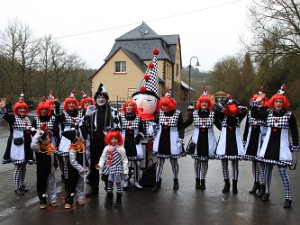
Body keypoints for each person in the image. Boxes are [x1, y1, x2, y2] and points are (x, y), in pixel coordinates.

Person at [257, 85, 299, 208]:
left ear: (284, 103)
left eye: (280, 101)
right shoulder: (268, 113)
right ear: (273, 102)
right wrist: (255, 103)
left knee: (282, 171)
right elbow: (255, 115)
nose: (278, 103)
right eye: (276, 101)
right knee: (267, 169)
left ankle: (288, 197)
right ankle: (266, 192)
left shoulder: (290, 115)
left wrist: (295, 144)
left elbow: (294, 130)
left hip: (282, 147)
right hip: (269, 145)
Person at [85, 83, 120, 197]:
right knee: (94, 165)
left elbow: (118, 127)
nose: (100, 99)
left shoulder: (113, 111)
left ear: (106, 99)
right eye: (98, 97)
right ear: (95, 99)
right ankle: (94, 188)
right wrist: (86, 115)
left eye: (103, 98)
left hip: (107, 143)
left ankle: (108, 186)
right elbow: (82, 124)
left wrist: (111, 131)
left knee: (108, 164)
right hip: (94, 142)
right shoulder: (91, 110)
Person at [184, 89, 221, 190]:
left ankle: (203, 180)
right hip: (197, 139)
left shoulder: (213, 114)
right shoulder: (195, 114)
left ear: (208, 103)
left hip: (208, 140)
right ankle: (197, 180)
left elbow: (219, 125)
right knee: (197, 161)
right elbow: (187, 123)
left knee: (205, 161)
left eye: (206, 102)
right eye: (202, 102)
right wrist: (177, 126)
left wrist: (228, 130)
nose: (204, 104)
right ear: (200, 103)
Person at [151, 90, 185, 192]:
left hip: (173, 139)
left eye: (165, 105)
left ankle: (175, 179)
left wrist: (180, 140)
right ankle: (157, 182)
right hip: (161, 139)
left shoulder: (178, 113)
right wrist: (152, 127)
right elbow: (155, 122)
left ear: (170, 105)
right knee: (159, 162)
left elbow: (181, 127)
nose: (163, 107)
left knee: (174, 162)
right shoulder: (160, 113)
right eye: (162, 105)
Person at [0, 95, 34, 195]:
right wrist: (2, 107)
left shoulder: (28, 119)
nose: (22, 110)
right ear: (17, 109)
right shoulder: (13, 118)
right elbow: (5, 115)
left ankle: (21, 184)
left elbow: (31, 130)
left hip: (26, 146)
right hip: (16, 147)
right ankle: (16, 187)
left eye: (24, 108)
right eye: (20, 108)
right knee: (18, 167)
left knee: (23, 166)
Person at [215, 95, 247, 194]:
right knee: (224, 163)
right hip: (224, 141)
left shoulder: (239, 116)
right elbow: (216, 114)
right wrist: (225, 107)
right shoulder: (223, 115)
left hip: (235, 142)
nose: (232, 114)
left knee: (235, 164)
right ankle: (226, 183)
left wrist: (234, 105)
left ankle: (235, 185)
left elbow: (245, 110)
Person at [31, 97, 59, 208]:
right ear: (39, 110)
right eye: (41, 109)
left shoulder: (52, 118)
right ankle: (42, 199)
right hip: (39, 148)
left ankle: (53, 198)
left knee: (51, 176)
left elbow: (56, 132)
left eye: (45, 109)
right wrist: (38, 137)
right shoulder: (35, 120)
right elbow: (32, 135)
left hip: (50, 146)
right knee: (41, 177)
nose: (43, 111)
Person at [243, 87, 269, 197]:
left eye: (261, 100)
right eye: (257, 101)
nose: (259, 102)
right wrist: (244, 140)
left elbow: (259, 116)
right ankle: (256, 183)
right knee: (253, 161)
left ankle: (263, 185)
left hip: (262, 138)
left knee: (260, 162)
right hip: (252, 137)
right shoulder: (250, 112)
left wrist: (254, 107)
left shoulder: (267, 111)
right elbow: (247, 126)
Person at [56, 90, 82, 189]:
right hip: (66, 138)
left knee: (76, 160)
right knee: (66, 160)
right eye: (69, 103)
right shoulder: (64, 113)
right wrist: (57, 106)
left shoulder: (79, 113)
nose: (71, 105)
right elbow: (58, 117)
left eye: (73, 103)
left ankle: (75, 178)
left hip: (77, 137)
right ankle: (66, 179)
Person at [96, 129, 128, 207]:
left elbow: (125, 160)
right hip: (109, 168)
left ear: (119, 139)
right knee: (109, 184)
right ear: (109, 139)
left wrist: (125, 171)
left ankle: (119, 199)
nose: (114, 140)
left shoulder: (121, 149)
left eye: (116, 139)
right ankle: (109, 198)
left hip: (117, 168)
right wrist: (100, 165)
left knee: (118, 184)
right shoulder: (106, 148)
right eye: (112, 139)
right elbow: (103, 158)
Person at [119, 100, 144, 190]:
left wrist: (139, 136)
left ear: (134, 107)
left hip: (135, 143)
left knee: (136, 163)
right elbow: (117, 129)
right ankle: (125, 181)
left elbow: (142, 130)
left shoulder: (138, 118)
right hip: (124, 143)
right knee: (125, 163)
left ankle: (136, 181)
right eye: (127, 106)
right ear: (125, 107)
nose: (129, 107)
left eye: (131, 106)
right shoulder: (120, 117)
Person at [61, 130, 89, 209]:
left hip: (81, 170)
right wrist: (80, 168)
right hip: (73, 170)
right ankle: (69, 201)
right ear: (75, 138)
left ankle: (80, 198)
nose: (81, 136)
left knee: (80, 184)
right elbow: (72, 161)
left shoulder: (81, 146)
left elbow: (84, 158)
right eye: (79, 135)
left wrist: (85, 166)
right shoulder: (72, 149)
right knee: (72, 185)